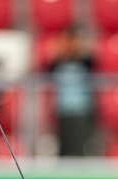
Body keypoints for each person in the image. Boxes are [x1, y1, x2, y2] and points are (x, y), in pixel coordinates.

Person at [46, 26, 96, 157]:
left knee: (80, 142)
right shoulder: (58, 62)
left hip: (81, 107)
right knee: (64, 143)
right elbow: (47, 73)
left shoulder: (86, 61)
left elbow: (93, 65)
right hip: (62, 107)